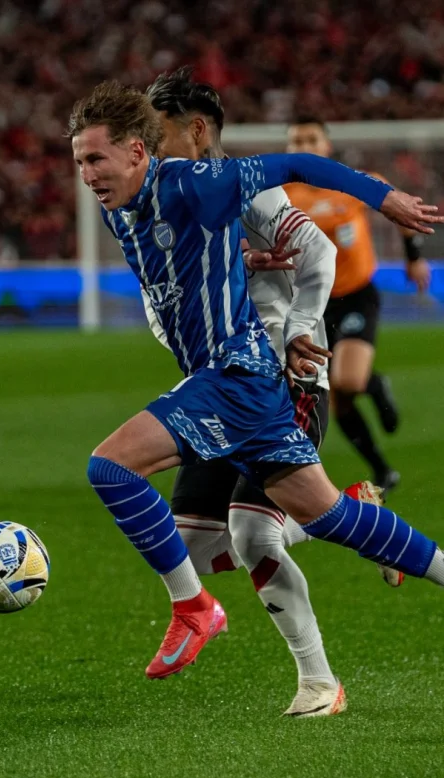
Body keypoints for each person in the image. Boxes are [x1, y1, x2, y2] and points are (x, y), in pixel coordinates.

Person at [68, 80, 444, 694]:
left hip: (241, 374)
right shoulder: (123, 207)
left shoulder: (202, 182)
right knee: (324, 517)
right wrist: (234, 263)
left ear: (141, 150)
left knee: (112, 469)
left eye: (95, 159)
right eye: (79, 161)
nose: (85, 173)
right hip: (237, 382)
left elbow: (298, 168)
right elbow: (178, 275)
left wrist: (385, 199)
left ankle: (197, 612)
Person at [143, 68, 403, 716]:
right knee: (196, 548)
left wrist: (299, 333)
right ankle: (351, 511)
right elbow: (160, 305)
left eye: (158, 133)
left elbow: (317, 253)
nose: (147, 146)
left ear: (197, 132)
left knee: (254, 535)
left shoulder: (241, 189)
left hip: (281, 376)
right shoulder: (163, 200)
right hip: (217, 383)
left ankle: (319, 683)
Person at [286, 116, 431, 493]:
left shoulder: (354, 182)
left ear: (326, 146)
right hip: (310, 305)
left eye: (311, 139)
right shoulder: (281, 193)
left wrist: (413, 256)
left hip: (355, 296)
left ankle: (371, 382)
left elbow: (399, 209)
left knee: (345, 381)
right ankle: (382, 469)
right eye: (296, 140)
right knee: (338, 400)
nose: (303, 146)